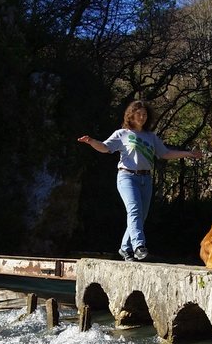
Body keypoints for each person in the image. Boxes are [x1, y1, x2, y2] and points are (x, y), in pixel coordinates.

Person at [77, 100, 204, 261]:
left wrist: (188, 154)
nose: (142, 117)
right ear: (131, 115)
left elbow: (164, 153)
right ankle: (139, 246)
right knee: (134, 210)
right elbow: (105, 147)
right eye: (139, 114)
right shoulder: (122, 134)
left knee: (140, 216)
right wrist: (91, 141)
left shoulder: (151, 137)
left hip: (146, 178)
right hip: (127, 177)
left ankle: (125, 248)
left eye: (145, 114)